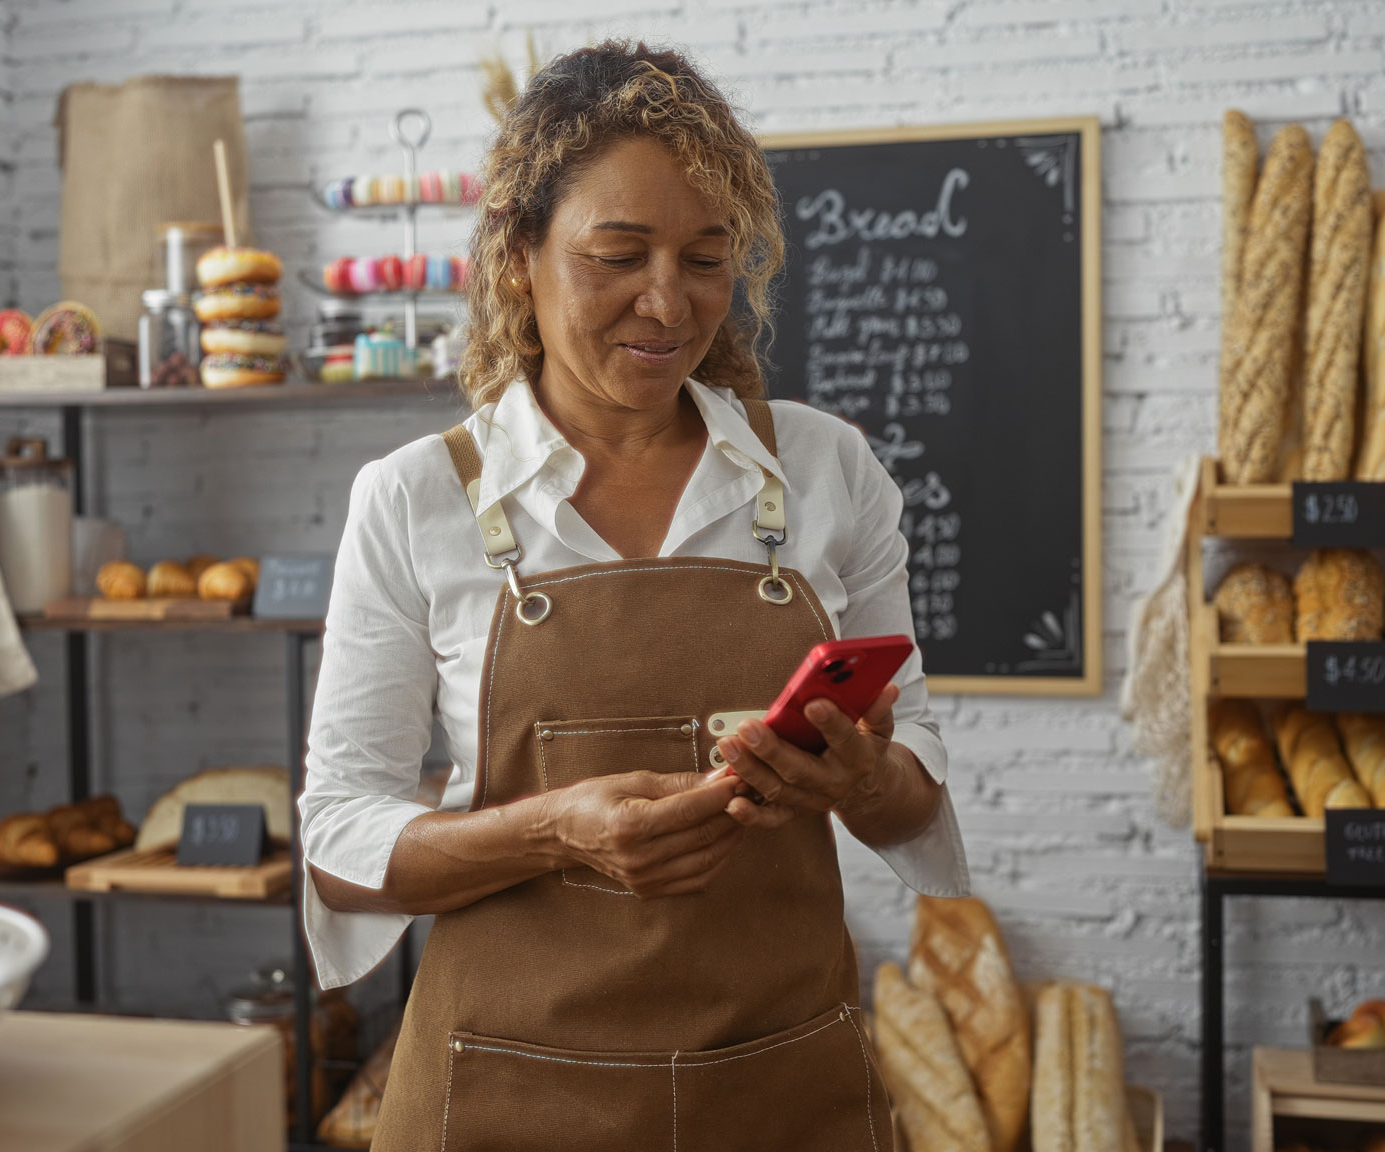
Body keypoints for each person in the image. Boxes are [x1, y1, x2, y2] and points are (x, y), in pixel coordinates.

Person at [300, 41, 968, 1150]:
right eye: (616, 254)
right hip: (498, 1092)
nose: (667, 303)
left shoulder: (825, 470)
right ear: (519, 252)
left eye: (708, 259)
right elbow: (339, 840)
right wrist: (554, 833)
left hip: (774, 1084)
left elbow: (913, 796)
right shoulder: (413, 499)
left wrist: (861, 778)